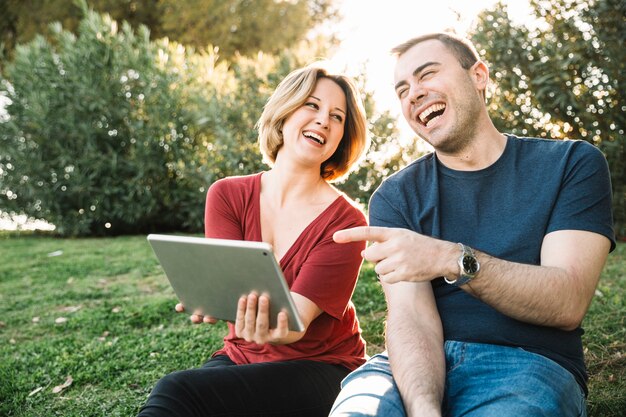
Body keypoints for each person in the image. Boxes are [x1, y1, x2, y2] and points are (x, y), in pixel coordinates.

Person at [329, 32, 615, 417]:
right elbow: (411, 317)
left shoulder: (571, 164)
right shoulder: (395, 196)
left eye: (427, 74)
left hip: (529, 366)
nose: (413, 93)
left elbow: (566, 302)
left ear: (479, 75)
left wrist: (451, 258)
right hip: (410, 370)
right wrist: (423, 407)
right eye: (402, 90)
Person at [137, 62, 370, 417]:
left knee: (177, 389)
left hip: (326, 368)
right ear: (284, 113)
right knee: (174, 399)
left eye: (337, 117)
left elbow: (293, 326)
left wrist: (237, 306)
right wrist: (209, 297)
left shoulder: (347, 221)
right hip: (241, 354)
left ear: (341, 138)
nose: (324, 120)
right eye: (311, 104)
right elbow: (230, 284)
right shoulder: (227, 195)